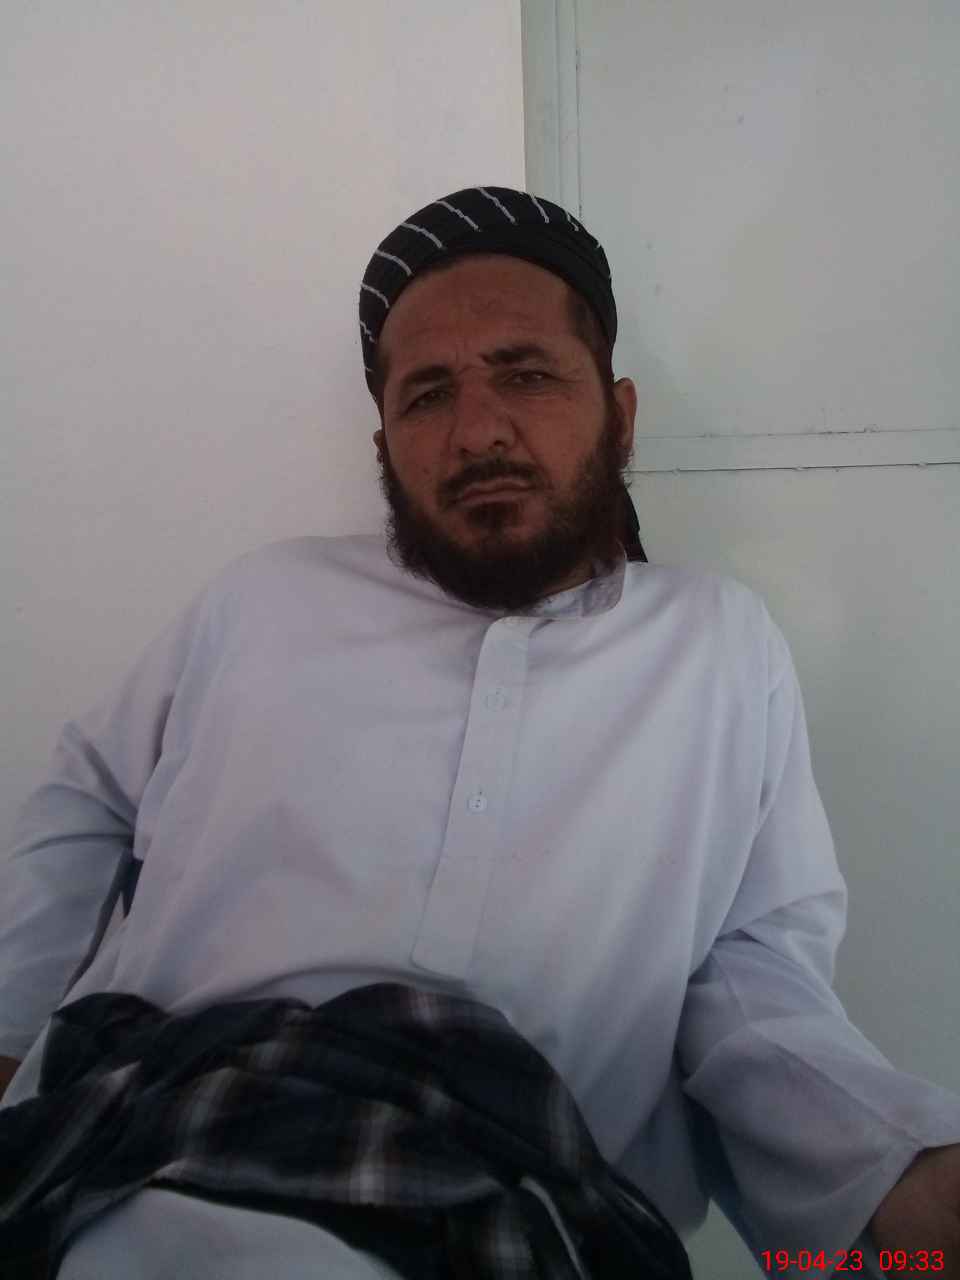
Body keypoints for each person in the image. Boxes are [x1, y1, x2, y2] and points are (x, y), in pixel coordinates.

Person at [1, 186, 959, 1279]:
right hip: (165, 1138)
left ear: (621, 412)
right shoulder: (262, 601)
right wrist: (10, 1033)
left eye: (526, 374)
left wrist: (893, 1171)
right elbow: (91, 791)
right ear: (385, 443)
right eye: (428, 394)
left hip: (531, 1195)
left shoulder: (716, 643)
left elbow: (750, 972)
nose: (479, 432)